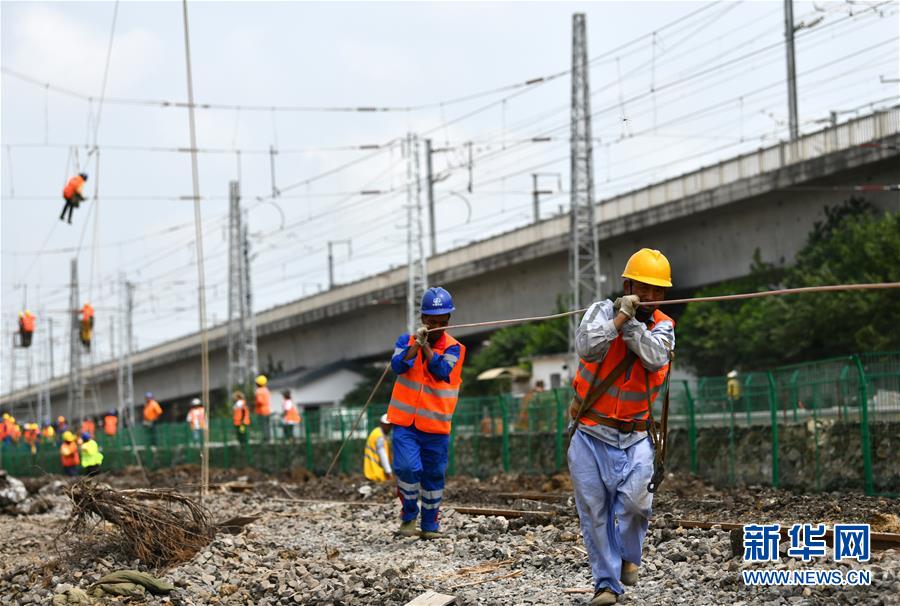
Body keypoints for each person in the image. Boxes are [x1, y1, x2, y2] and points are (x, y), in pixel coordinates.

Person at [568, 248, 675, 606]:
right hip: (589, 433)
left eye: (658, 291)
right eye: (644, 289)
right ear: (628, 284)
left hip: (636, 437)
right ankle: (606, 584)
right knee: (595, 514)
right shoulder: (600, 312)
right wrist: (617, 319)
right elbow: (586, 347)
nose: (651, 297)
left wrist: (630, 322)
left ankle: (630, 554)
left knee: (635, 506)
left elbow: (654, 357)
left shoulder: (663, 327)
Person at [387, 286, 466, 539]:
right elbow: (398, 366)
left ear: (448, 321)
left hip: (436, 427)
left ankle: (430, 526)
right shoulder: (405, 341)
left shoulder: (455, 349)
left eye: (442, 323)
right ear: (423, 320)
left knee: (433, 476)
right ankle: (409, 516)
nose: (437, 327)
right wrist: (417, 345)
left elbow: (442, 372)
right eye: (432, 322)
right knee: (407, 468)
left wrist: (427, 349)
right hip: (405, 424)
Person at [364, 414, 393, 482]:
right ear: (381, 424)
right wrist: (388, 471)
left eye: (390, 425)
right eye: (387, 425)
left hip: (372, 471)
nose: (388, 427)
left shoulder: (378, 433)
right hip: (376, 473)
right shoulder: (379, 436)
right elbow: (382, 454)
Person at [254, 375, 272, 442]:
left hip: (261, 411)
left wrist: (255, 403)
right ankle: (268, 438)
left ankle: (265, 439)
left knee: (263, 425)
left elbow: (259, 401)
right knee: (267, 425)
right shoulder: (266, 390)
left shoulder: (259, 391)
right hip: (267, 410)